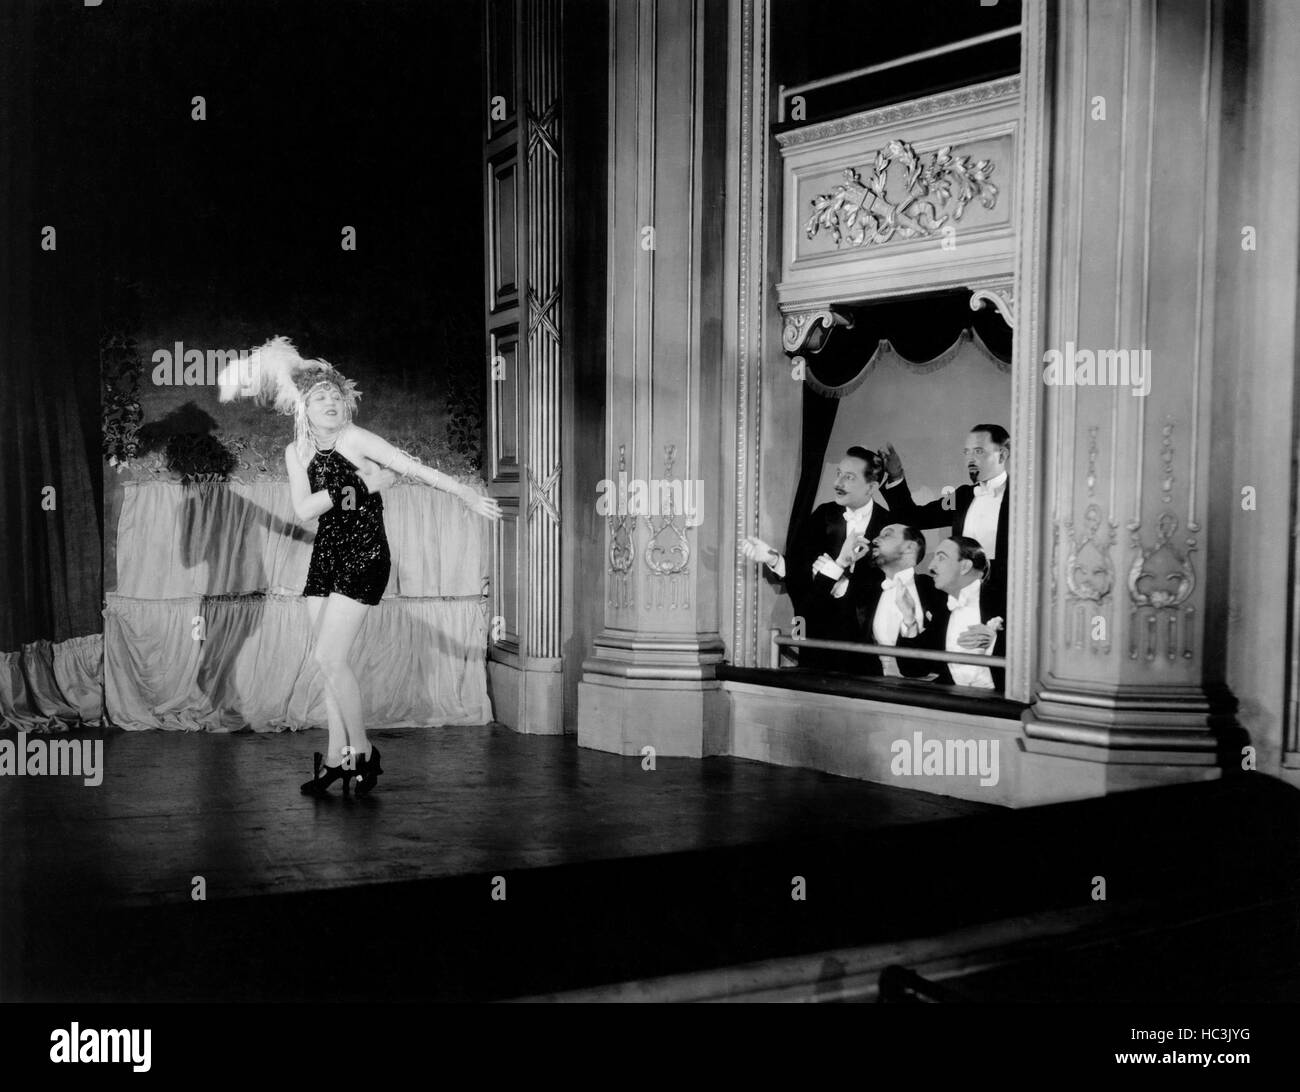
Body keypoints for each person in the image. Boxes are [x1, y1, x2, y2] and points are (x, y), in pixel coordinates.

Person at [220, 337, 501, 796]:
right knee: (332, 667)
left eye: (337, 396)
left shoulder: (355, 438)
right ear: (303, 409)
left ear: (347, 406)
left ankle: (363, 752)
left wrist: (464, 493)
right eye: (320, 397)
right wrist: (366, 485)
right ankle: (336, 760)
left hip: (366, 554)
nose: (331, 401)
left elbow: (413, 468)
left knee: (329, 658)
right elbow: (305, 511)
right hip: (325, 558)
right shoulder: (296, 454)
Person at [741, 447, 895, 672]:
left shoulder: (889, 526)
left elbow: (886, 588)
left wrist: (840, 581)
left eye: (849, 477)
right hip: (818, 643)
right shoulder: (823, 515)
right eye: (838, 473)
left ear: (871, 487)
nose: (838, 483)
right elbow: (801, 575)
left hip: (865, 651)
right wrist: (773, 559)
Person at [881, 424, 1010, 617]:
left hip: (1004, 601)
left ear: (1002, 454)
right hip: (956, 597)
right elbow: (915, 517)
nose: (971, 459)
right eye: (967, 452)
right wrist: (896, 475)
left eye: (979, 451)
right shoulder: (960, 496)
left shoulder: (1025, 497)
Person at [850, 523, 949, 678]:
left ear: (909, 547)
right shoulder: (864, 592)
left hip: (925, 693)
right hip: (868, 690)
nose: (875, 539)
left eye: (886, 535)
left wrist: (910, 622)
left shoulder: (940, 592)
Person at [924, 535, 1006, 691]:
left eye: (941, 558)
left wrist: (994, 642)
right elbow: (913, 669)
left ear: (965, 566)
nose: (931, 566)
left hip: (1003, 708)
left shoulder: (1006, 599)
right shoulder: (940, 608)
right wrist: (909, 620)